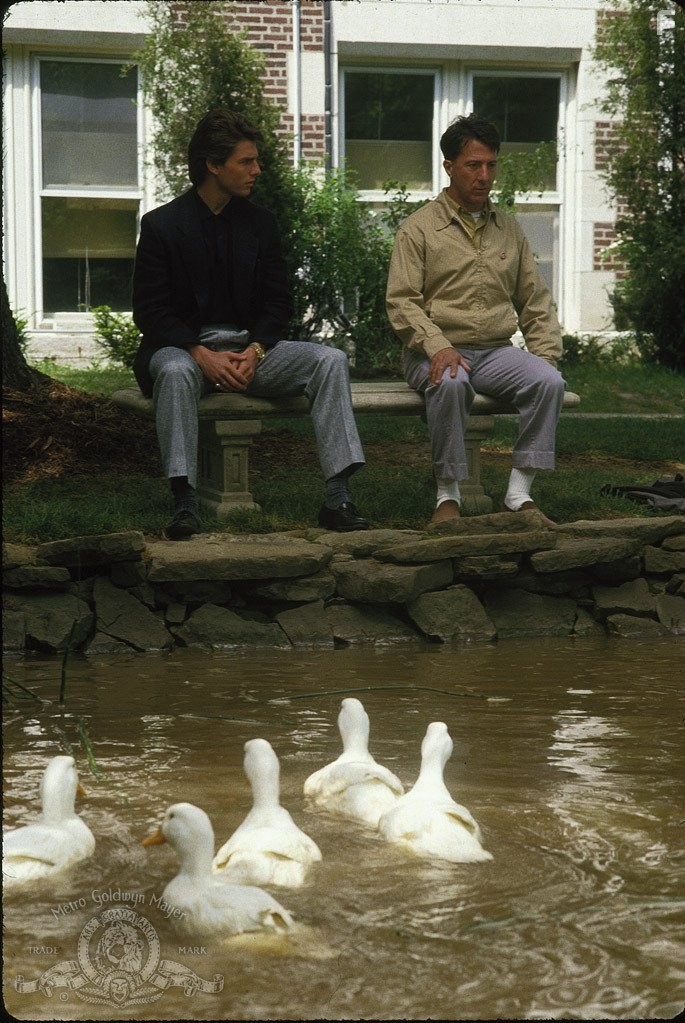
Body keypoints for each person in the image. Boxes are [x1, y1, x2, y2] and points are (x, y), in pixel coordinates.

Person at [132, 107, 368, 539]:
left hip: (249, 351)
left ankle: (338, 497)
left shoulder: (261, 224)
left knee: (329, 360)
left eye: (256, 161)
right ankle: (185, 500)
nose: (257, 170)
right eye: (246, 162)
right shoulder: (162, 225)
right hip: (184, 349)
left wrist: (256, 351)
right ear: (212, 164)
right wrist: (199, 353)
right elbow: (149, 311)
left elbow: (278, 302)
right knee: (174, 371)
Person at [386, 113, 565, 527]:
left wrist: (545, 357)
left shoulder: (510, 229)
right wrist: (438, 346)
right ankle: (447, 497)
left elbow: (534, 300)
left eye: (491, 165)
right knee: (450, 382)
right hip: (431, 349)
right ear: (449, 167)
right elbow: (402, 302)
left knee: (549, 382)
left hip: (494, 352)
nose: (484, 176)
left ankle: (519, 494)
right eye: (473, 165)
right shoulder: (419, 229)